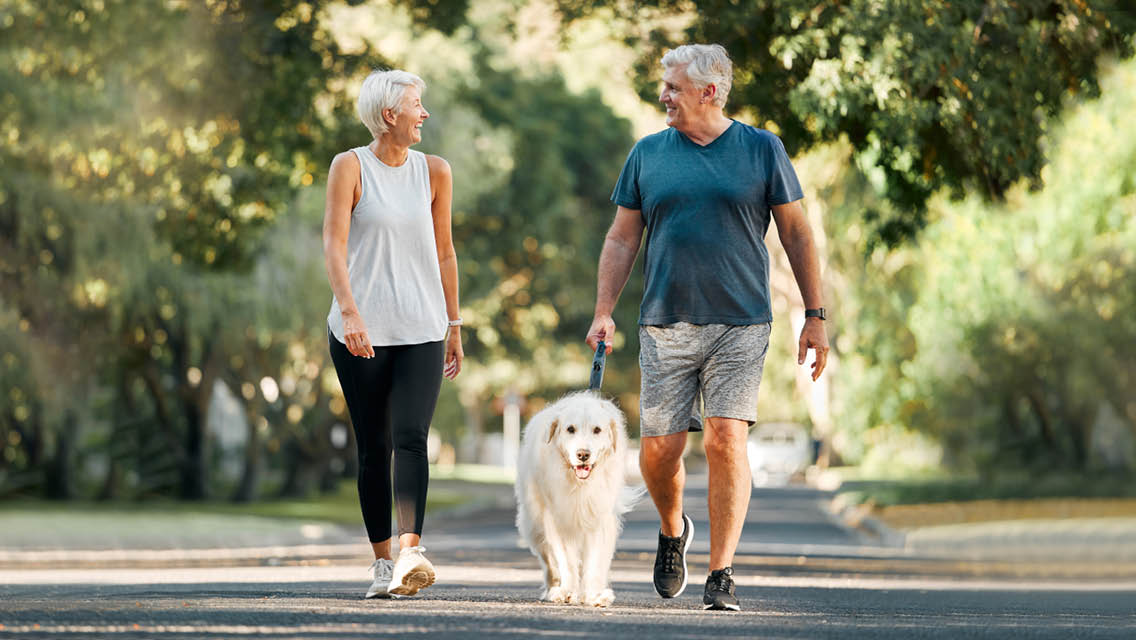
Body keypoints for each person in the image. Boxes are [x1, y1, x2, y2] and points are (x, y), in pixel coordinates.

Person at [585, 44, 828, 611]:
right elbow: (622, 239)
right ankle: (674, 532)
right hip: (664, 321)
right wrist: (603, 310)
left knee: (726, 438)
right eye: (664, 85)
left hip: (741, 320)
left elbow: (796, 233)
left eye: (672, 86)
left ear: (709, 92)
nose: (663, 95)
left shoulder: (762, 149)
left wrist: (815, 316)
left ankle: (722, 573)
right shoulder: (647, 154)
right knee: (658, 453)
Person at [323, 69, 463, 599]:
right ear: (389, 115)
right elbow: (334, 245)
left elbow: (446, 251)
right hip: (361, 331)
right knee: (373, 445)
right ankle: (382, 562)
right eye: (416, 105)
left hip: (422, 327)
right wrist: (350, 312)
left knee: (411, 438)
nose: (424, 113)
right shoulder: (349, 166)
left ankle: (410, 553)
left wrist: (453, 323)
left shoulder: (435, 172)